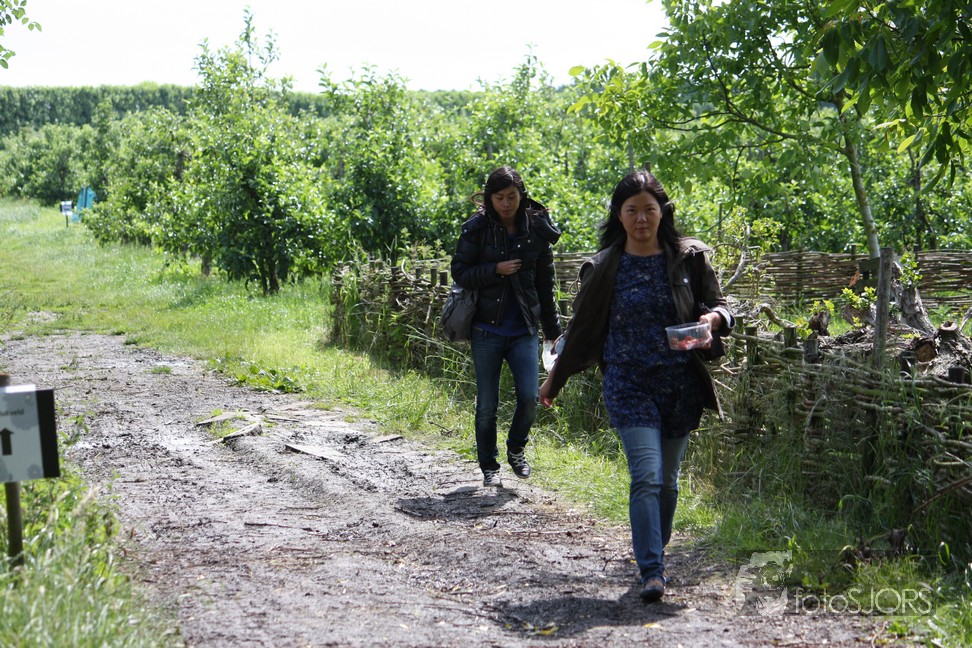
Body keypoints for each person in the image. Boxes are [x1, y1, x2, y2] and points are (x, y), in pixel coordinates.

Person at [539, 170, 733, 603]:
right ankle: (652, 569)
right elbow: (581, 330)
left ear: (663, 212)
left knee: (667, 481)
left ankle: (654, 550)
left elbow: (722, 306)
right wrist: (556, 378)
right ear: (619, 215)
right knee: (645, 475)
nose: (641, 218)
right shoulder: (603, 267)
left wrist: (713, 319)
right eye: (632, 211)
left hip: (680, 382)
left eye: (649, 209)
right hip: (627, 382)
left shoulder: (689, 258)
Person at [451, 166, 563, 488]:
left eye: (511, 196)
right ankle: (489, 465)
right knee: (487, 404)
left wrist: (552, 330)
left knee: (529, 397)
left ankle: (516, 449)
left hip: (524, 329)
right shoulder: (477, 228)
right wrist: (494, 269)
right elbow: (460, 271)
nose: (505, 203)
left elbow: (545, 284)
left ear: (521, 195)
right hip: (486, 330)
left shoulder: (537, 230)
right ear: (489, 198)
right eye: (499, 197)